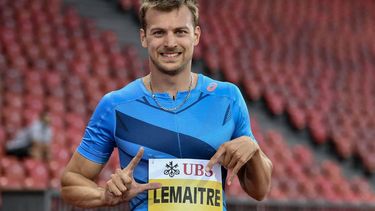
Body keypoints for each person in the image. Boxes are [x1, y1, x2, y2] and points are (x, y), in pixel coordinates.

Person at [61, 0, 272, 210]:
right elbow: (71, 181)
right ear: (144, 37)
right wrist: (103, 195)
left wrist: (254, 151)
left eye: (180, 32)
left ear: (196, 35)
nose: (170, 43)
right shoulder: (116, 105)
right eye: (159, 33)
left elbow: (259, 190)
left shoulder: (228, 98)